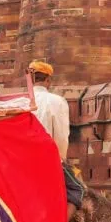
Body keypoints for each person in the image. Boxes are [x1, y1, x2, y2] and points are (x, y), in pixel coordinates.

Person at [27, 60, 84, 210]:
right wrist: (62, 160)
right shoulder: (56, 101)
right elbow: (61, 136)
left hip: (21, 160)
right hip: (46, 159)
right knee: (77, 189)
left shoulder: (21, 102)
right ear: (48, 80)